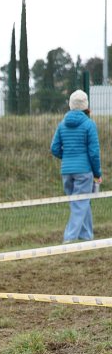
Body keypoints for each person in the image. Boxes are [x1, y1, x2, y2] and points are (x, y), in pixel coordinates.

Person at [50, 89, 102, 243]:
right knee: (80, 204)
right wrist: (97, 173)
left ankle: (87, 236)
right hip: (84, 171)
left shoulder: (62, 124)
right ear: (86, 105)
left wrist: (67, 157)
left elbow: (54, 148)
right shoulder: (89, 124)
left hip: (66, 171)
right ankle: (69, 239)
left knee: (80, 203)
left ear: (70, 104)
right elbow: (94, 153)